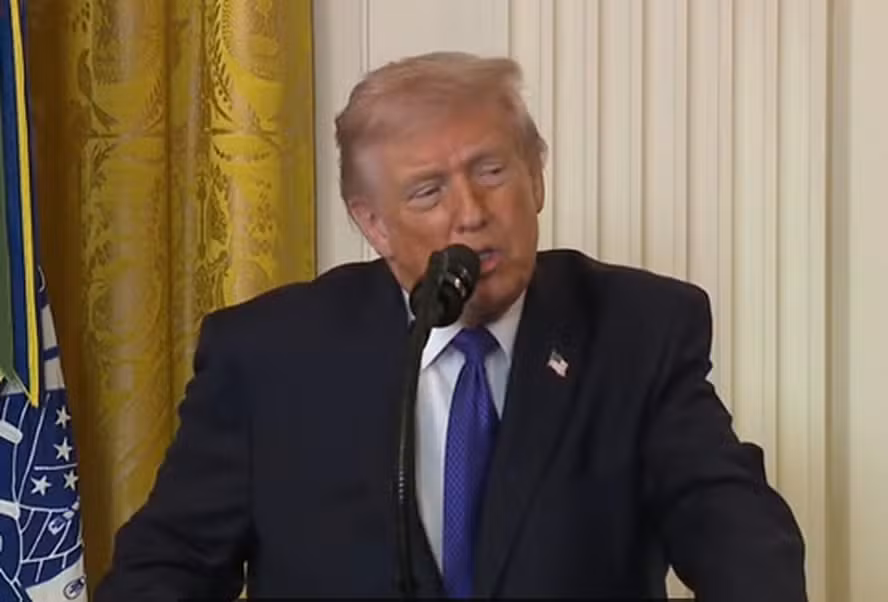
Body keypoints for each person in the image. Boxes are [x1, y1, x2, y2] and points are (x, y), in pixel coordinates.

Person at [95, 52, 806, 600]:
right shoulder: (271, 356)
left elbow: (735, 531)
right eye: (428, 191)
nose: (471, 213)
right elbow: (169, 565)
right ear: (374, 224)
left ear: (536, 178)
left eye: (492, 171)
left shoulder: (637, 330)